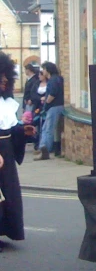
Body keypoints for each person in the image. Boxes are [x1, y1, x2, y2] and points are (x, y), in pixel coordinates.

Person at [0, 52, 36, 250]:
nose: (5, 80)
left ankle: (5, 229)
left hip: (5, 153)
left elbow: (7, 130)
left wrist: (23, 131)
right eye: (1, 76)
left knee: (7, 193)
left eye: (6, 76)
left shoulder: (6, 103)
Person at [34, 62, 64, 161]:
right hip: (57, 106)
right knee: (47, 128)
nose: (43, 71)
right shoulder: (57, 78)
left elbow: (52, 94)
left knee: (48, 128)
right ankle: (43, 148)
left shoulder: (53, 80)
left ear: (48, 70)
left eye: (44, 69)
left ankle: (44, 150)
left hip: (53, 106)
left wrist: (46, 102)